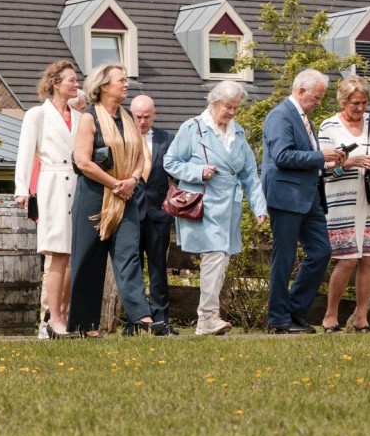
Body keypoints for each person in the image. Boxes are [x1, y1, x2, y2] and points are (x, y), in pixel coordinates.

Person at [163, 81, 268, 335]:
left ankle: (208, 318)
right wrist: (198, 171)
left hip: (229, 206)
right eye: (228, 107)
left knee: (221, 259)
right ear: (214, 102)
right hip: (203, 204)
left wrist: (259, 207)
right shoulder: (192, 128)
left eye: (236, 108)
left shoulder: (238, 132)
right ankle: (207, 317)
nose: (232, 112)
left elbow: (249, 174)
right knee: (216, 256)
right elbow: (170, 162)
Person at [67, 63, 164, 336]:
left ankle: (141, 316)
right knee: (89, 259)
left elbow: (140, 156)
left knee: (129, 255)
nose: (126, 84)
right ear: (103, 86)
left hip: (126, 196)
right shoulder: (89, 119)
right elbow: (82, 162)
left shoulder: (129, 118)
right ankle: (85, 326)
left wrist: (132, 180)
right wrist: (114, 184)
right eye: (121, 80)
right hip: (94, 196)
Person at [263, 69, 347, 333]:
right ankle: (279, 319)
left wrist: (329, 163)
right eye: (317, 97)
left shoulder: (302, 118)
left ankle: (295, 311)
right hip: (286, 197)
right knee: (284, 258)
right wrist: (321, 156)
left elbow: (305, 158)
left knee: (321, 251)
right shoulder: (280, 116)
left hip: (310, 197)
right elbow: (282, 156)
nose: (319, 103)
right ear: (300, 91)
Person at [14, 60, 82, 337]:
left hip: (77, 184)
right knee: (58, 252)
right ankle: (53, 319)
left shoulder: (80, 117)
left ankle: (64, 315)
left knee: (74, 254)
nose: (76, 84)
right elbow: (25, 152)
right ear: (56, 83)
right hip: (51, 184)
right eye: (71, 80)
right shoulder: (37, 115)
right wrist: (21, 188)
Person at [318, 74, 370, 332]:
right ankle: (330, 316)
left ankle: (361, 318)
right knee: (347, 258)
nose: (360, 108)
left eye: (364, 103)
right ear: (343, 101)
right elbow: (323, 169)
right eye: (355, 103)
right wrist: (350, 163)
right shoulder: (329, 126)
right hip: (341, 200)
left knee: (369, 258)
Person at [130, 94, 176, 333]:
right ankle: (135, 321)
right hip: (131, 215)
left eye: (147, 116)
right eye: (138, 117)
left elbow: (177, 173)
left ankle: (161, 320)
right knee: (132, 269)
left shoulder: (167, 139)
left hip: (159, 215)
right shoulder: (124, 139)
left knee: (159, 269)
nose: (142, 121)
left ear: (154, 115)